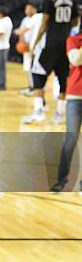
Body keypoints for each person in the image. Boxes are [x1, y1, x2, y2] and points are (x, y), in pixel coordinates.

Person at [24, 0, 80, 124]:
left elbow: (44, 23)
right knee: (63, 79)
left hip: (50, 44)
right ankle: (59, 114)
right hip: (66, 44)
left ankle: (38, 112)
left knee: (37, 75)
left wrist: (34, 44)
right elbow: (75, 22)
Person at [52, 30, 82, 192]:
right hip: (76, 96)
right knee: (70, 140)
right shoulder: (73, 39)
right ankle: (61, 180)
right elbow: (76, 59)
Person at [14, 3, 42, 95]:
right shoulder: (25, 19)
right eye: (25, 8)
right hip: (27, 47)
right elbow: (22, 33)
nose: (26, 10)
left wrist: (17, 32)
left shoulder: (38, 17)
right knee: (28, 68)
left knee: (34, 68)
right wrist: (22, 42)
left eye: (28, 8)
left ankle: (35, 88)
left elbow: (21, 31)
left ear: (34, 9)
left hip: (35, 47)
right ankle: (31, 86)